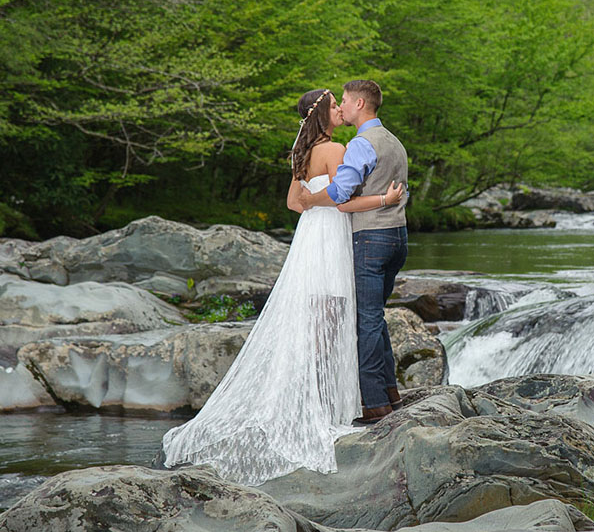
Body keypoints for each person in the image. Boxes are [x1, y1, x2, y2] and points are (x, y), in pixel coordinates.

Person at [160, 88, 404, 486]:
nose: (341, 109)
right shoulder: (337, 149)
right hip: (331, 237)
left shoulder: (302, 154)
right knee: (333, 319)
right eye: (335, 105)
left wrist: (313, 201)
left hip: (310, 236)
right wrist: (383, 199)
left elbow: (295, 203)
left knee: (316, 320)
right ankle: (325, 406)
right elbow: (343, 202)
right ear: (324, 112)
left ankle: (317, 400)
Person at [298, 80, 408, 424]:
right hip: (398, 236)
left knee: (367, 320)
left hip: (371, 238)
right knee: (377, 317)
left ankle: (375, 403)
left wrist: (312, 200)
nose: (342, 107)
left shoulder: (361, 144)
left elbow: (341, 196)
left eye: (344, 101)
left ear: (360, 104)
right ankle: (390, 392)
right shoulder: (393, 141)